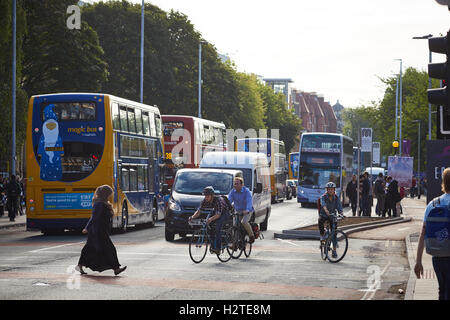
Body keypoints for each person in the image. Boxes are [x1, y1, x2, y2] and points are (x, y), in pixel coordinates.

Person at [414, 168, 450, 300]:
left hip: (438, 255)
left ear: (443, 183)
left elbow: (423, 234)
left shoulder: (433, 204)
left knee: (442, 289)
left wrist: (418, 261)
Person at [76, 185, 127, 276]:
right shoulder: (99, 204)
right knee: (109, 248)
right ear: (105, 194)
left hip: (100, 229)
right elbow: (94, 218)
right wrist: (87, 228)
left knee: (90, 248)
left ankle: (80, 265)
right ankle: (116, 268)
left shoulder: (102, 203)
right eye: (109, 194)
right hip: (98, 230)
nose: (110, 196)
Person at [188, 186, 230, 254]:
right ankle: (213, 246)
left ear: (212, 195)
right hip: (215, 211)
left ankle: (218, 248)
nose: (206, 197)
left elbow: (218, 215)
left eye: (208, 195)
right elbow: (199, 211)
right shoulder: (204, 201)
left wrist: (210, 219)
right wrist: (192, 217)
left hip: (224, 213)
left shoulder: (218, 200)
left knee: (218, 228)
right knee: (209, 227)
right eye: (205, 195)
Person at [318, 182, 343, 258]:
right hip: (324, 215)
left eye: (332, 189)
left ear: (334, 190)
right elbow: (323, 204)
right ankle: (322, 235)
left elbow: (339, 207)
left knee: (334, 233)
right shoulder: (323, 197)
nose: (330, 191)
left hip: (332, 216)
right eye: (329, 189)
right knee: (320, 220)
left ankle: (334, 251)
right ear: (327, 190)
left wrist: (341, 213)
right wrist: (326, 210)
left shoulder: (336, 198)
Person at [228, 177, 255, 244]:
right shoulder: (232, 192)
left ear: (241, 184)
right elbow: (229, 201)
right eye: (234, 184)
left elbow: (249, 201)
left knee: (244, 222)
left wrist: (247, 210)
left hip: (247, 210)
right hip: (238, 211)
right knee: (235, 225)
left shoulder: (246, 191)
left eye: (237, 184)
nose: (235, 185)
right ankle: (234, 244)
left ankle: (251, 236)